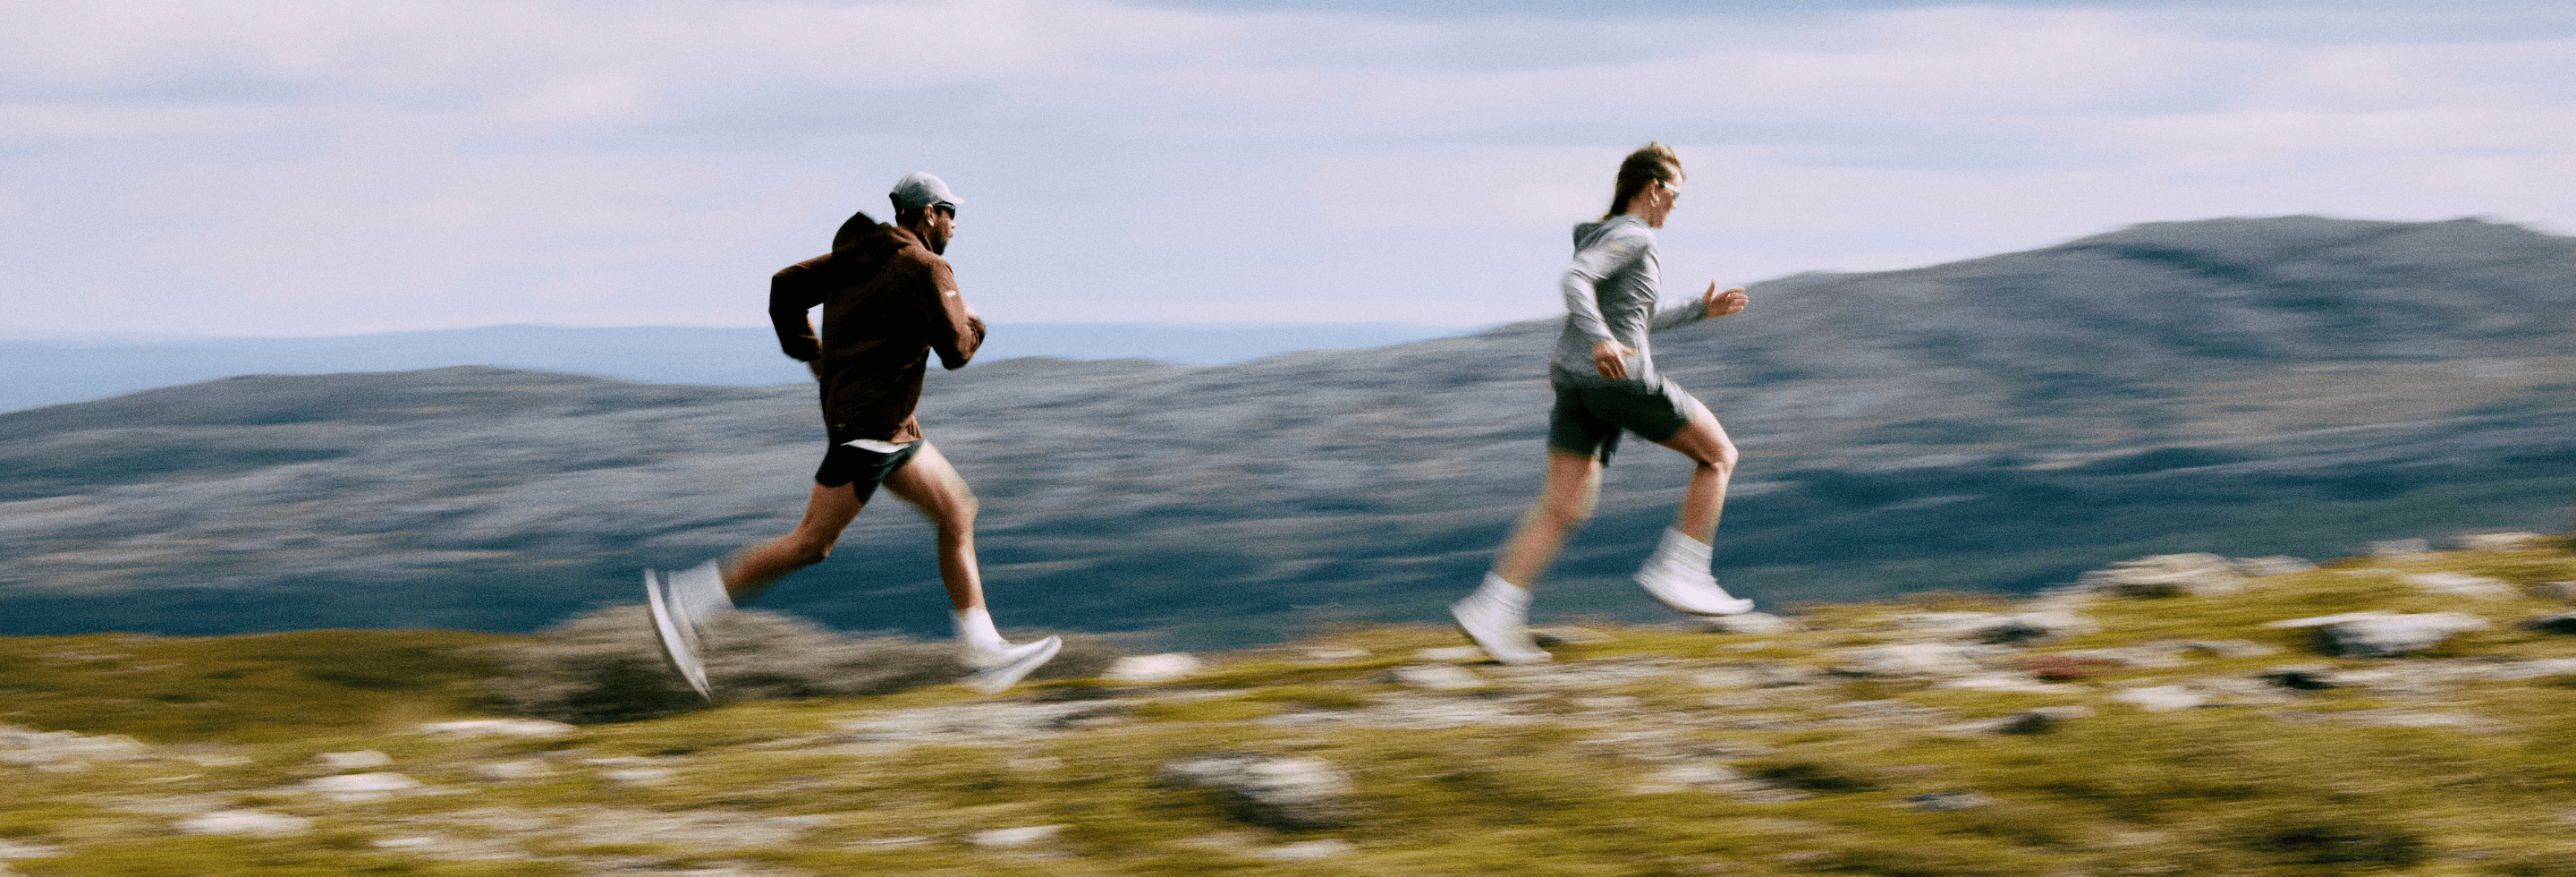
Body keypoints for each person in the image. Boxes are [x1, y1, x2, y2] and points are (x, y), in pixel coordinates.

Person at [645, 171, 1061, 699]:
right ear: (928, 214)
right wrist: (975, 321)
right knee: (811, 544)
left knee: (957, 510)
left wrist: (815, 357)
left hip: (887, 427)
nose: (955, 224)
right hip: (871, 429)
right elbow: (957, 350)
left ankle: (983, 651)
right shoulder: (925, 266)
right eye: (950, 212)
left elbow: (785, 287)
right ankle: (688, 603)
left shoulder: (860, 255)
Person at [1450, 142, 1757, 665]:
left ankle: (1492, 609)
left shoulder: (1612, 235)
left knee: (1564, 505)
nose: (1675, 206)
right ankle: (1682, 570)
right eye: (1674, 194)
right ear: (1653, 189)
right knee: (1718, 455)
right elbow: (1576, 279)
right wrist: (1601, 340)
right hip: (1617, 380)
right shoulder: (1634, 235)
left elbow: (1633, 314)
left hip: (1576, 385)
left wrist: (1700, 310)